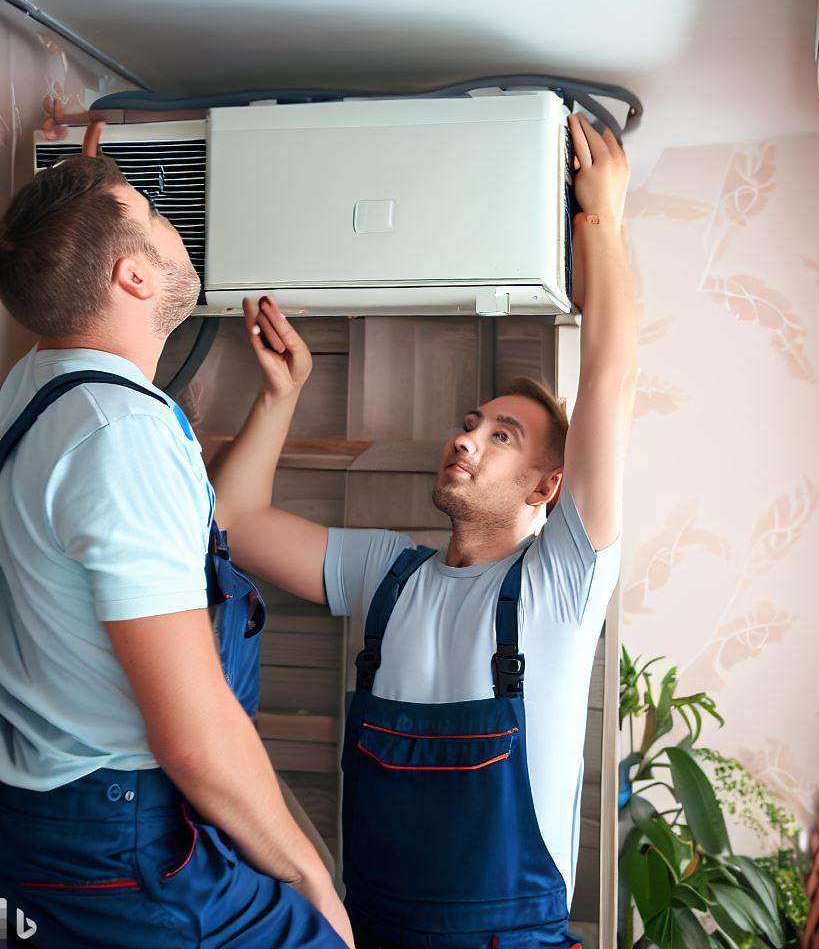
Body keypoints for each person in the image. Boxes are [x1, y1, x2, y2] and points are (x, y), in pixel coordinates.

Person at [212, 112, 638, 949]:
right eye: (471, 421)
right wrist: (281, 395)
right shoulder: (387, 572)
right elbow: (235, 522)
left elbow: (612, 378)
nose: (466, 437)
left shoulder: (564, 582)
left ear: (550, 486)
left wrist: (605, 220)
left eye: (501, 436)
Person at [0, 151, 352, 948]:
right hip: (120, 841)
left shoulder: (34, 393)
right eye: (157, 214)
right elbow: (192, 736)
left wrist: (280, 398)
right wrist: (307, 876)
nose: (177, 225)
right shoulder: (120, 435)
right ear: (132, 277)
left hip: (43, 818)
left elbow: (183, 540)